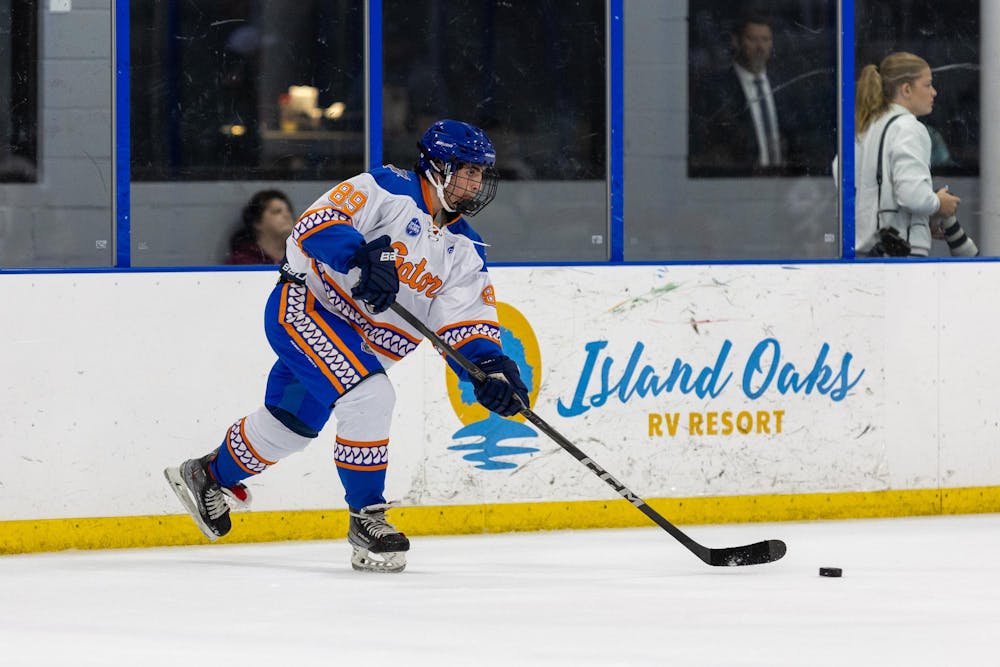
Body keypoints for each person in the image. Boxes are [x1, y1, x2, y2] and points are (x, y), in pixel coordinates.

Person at [165, 119, 530, 573]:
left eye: (480, 173)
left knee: (289, 427)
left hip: (361, 347)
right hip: (308, 309)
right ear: (437, 166)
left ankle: (207, 474)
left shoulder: (466, 250)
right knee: (370, 396)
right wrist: (360, 257)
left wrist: (490, 371)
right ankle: (367, 519)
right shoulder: (385, 187)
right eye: (467, 170)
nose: (476, 182)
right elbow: (317, 224)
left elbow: (467, 325)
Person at [852, 52, 972, 257]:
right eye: (927, 85)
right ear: (906, 89)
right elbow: (912, 196)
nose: (934, 92)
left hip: (868, 251)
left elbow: (843, 176)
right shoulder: (908, 127)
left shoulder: (866, 127)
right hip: (903, 254)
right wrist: (938, 204)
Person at [689, 14, 787, 175]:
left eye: (766, 39)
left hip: (783, 183)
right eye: (752, 39)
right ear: (736, 41)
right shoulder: (716, 90)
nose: (760, 47)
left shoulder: (784, 86)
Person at [224, 189, 295, 265]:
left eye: (289, 211)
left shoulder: (301, 258)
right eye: (276, 211)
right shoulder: (240, 263)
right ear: (257, 222)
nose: (287, 215)